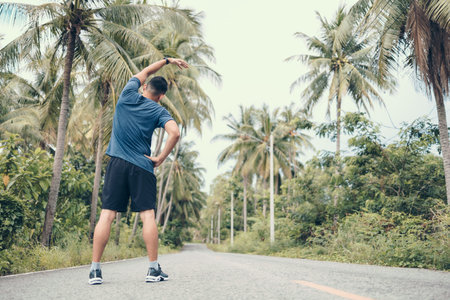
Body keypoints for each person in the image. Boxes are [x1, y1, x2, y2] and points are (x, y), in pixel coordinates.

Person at [88, 57, 189, 285]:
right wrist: (161, 158)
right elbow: (174, 133)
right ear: (161, 96)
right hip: (143, 166)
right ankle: (153, 269)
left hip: (117, 164)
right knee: (147, 216)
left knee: (107, 214)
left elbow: (145, 70)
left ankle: (95, 271)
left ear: (144, 87)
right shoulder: (159, 111)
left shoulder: (127, 94)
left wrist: (167, 60)